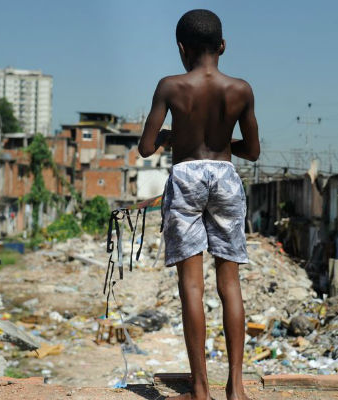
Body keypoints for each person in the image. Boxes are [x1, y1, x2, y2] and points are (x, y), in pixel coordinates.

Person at [138, 9, 260, 400]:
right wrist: (222, 146)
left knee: (192, 285)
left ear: (181, 49)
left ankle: (201, 389)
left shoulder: (170, 86)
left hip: (187, 176)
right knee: (230, 284)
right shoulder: (241, 89)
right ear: (222, 46)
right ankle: (236, 387)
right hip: (225, 176)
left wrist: (174, 140)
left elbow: (145, 147)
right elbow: (253, 151)